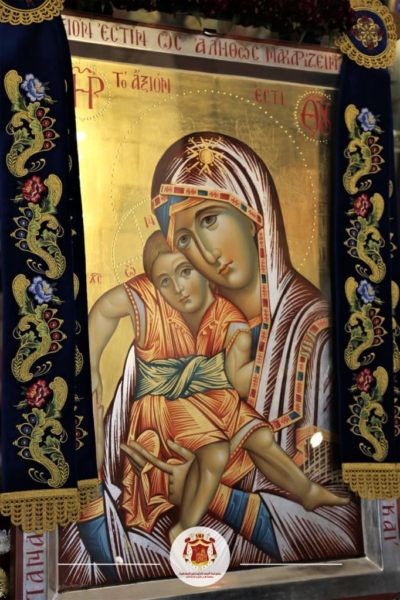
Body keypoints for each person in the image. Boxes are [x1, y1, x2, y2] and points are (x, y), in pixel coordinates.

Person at [120, 231, 348, 543]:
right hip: (169, 405)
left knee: (261, 437)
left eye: (186, 272)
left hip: (214, 399)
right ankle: (184, 526)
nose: (179, 288)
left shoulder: (226, 315)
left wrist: (274, 359)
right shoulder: (157, 313)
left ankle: (306, 491)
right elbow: (108, 308)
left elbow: (236, 378)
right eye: (165, 282)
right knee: (215, 452)